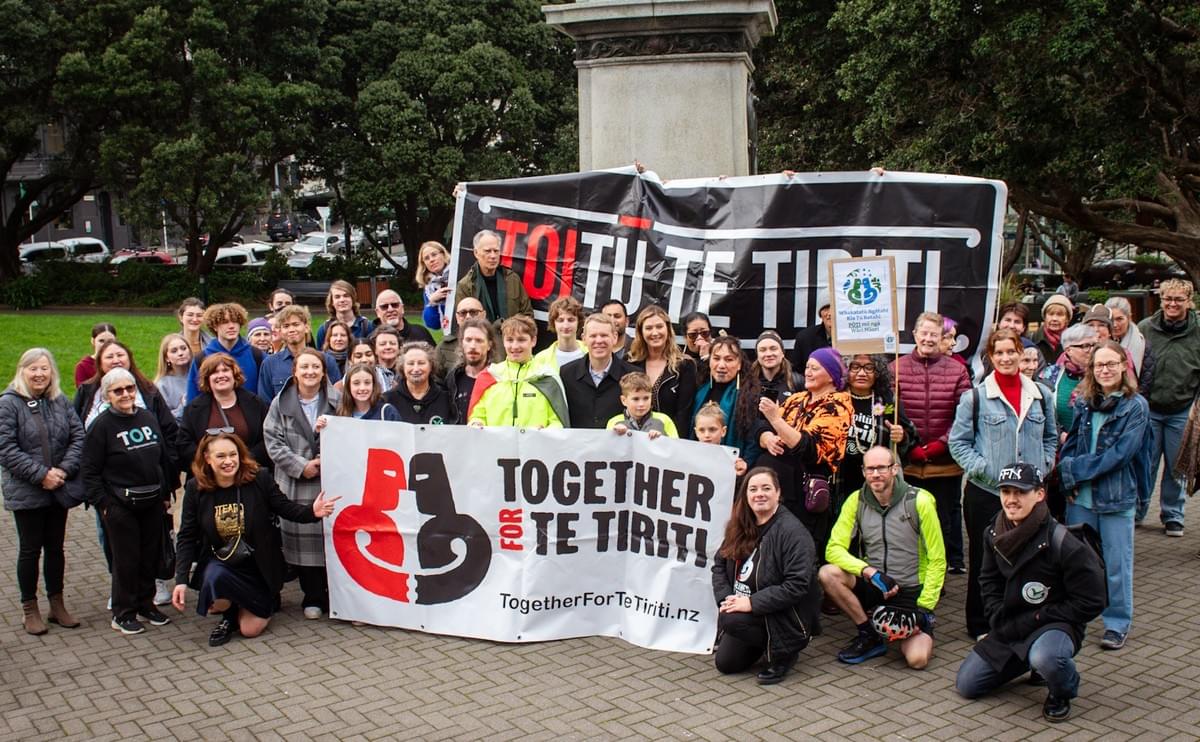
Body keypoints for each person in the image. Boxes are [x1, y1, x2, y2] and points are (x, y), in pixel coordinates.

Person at [955, 463, 1106, 724]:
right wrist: (995, 617)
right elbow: (988, 580)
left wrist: (1039, 618)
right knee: (967, 685)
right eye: (1006, 492)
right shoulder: (993, 532)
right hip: (1011, 624)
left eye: (1020, 492)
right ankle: (1031, 663)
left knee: (1046, 657)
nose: (1011, 500)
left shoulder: (1063, 541)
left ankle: (1062, 689)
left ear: (1040, 494)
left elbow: (1093, 602)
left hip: (1053, 623)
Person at [172, 432, 339, 646]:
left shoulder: (259, 478)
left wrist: (311, 512)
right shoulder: (196, 488)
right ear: (207, 458)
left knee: (250, 630)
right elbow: (187, 535)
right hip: (222, 562)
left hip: (258, 565)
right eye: (221, 456)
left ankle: (262, 600)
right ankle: (230, 614)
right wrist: (181, 580)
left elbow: (284, 507)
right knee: (215, 584)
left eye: (233, 454)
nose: (229, 461)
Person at [949, 329, 1058, 640]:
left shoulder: (1041, 395)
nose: (1007, 358)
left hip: (1030, 495)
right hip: (986, 493)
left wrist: (1044, 465)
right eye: (1000, 353)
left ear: (1022, 355)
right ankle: (981, 624)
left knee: (1031, 557)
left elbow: (1050, 437)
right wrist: (982, 469)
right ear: (991, 357)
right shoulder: (975, 398)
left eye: (1013, 352)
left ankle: (1024, 618)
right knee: (986, 560)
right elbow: (959, 443)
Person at [1058, 340, 1148, 651]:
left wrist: (1074, 470)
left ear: (1124, 366)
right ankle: (1077, 616)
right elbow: (1072, 445)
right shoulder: (1084, 402)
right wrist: (1066, 478)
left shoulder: (1135, 406)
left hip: (1115, 497)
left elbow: (1120, 455)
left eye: (1111, 364)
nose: (1105, 370)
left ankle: (1117, 622)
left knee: (1116, 563)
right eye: (1099, 365)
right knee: (1079, 562)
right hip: (1080, 498)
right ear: (1091, 371)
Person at [821, 446, 944, 668]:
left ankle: (918, 623)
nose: (875, 474)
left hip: (910, 590)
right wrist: (869, 571)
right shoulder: (855, 500)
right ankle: (869, 634)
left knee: (917, 660)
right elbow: (833, 548)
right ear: (863, 471)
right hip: (877, 585)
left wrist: (924, 608)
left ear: (895, 469)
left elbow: (938, 559)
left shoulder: (920, 501)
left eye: (881, 468)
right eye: (870, 469)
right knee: (827, 573)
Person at [80, 368, 177, 635]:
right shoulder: (101, 426)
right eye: (118, 391)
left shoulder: (147, 417)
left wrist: (165, 494)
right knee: (126, 560)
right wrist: (104, 504)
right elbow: (89, 470)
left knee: (149, 556)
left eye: (129, 389)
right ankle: (123, 613)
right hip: (120, 504)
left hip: (152, 500)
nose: (125, 395)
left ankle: (146, 605)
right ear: (107, 395)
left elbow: (161, 459)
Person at [0, 349, 85, 634]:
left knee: (56, 548)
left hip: (58, 488)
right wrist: (41, 475)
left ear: (52, 372)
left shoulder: (59, 401)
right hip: (27, 490)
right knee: (29, 549)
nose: (39, 374)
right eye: (33, 368)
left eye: (44, 369)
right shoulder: (8, 404)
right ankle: (29, 608)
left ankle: (57, 604)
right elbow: (6, 448)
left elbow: (78, 436)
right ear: (22, 371)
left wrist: (63, 471)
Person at [711, 467, 819, 684]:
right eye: (753, 489)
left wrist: (750, 603)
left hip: (784, 616)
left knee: (730, 620)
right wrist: (725, 598)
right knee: (727, 664)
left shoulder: (792, 532)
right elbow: (719, 565)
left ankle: (785, 652)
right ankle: (764, 643)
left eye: (766, 488)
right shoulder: (741, 523)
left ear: (778, 493)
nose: (759, 494)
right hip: (746, 608)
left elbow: (797, 585)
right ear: (746, 495)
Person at [264, 348, 341, 619]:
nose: (310, 372)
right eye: (304, 367)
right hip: (296, 483)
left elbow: (349, 434)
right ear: (295, 372)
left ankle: (337, 596)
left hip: (330, 479)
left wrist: (325, 459)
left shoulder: (338, 400)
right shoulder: (279, 403)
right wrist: (301, 466)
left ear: (324, 372)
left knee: (329, 539)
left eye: (315, 367)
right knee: (304, 543)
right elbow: (272, 441)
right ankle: (313, 596)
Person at [893, 311, 972, 575]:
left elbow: (965, 416)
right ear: (914, 335)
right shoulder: (896, 368)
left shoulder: (958, 371)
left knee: (941, 523)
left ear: (943, 338)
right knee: (907, 521)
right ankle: (911, 574)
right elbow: (887, 411)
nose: (928, 339)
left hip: (945, 464)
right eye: (923, 333)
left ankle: (937, 575)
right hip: (907, 463)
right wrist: (908, 445)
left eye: (934, 334)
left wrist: (938, 446)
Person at [755, 346, 852, 553]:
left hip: (803, 497)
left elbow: (809, 449)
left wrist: (776, 420)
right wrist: (768, 438)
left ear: (831, 375)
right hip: (774, 492)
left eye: (815, 368)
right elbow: (761, 427)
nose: (807, 372)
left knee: (793, 554)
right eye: (807, 367)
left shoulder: (838, 406)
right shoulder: (797, 399)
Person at [1136, 279, 1200, 536]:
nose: (1172, 304)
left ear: (1188, 301)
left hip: (1182, 409)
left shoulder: (1198, 331)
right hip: (1149, 409)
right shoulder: (1145, 329)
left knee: (1176, 467)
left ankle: (1173, 514)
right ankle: (1138, 510)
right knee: (1145, 464)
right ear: (1160, 300)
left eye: (1178, 299)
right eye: (1167, 299)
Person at [840, 354, 915, 507]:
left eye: (869, 368)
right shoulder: (835, 398)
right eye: (855, 367)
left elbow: (911, 435)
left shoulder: (887, 401)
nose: (861, 373)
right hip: (840, 481)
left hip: (877, 481)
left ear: (878, 372)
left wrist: (901, 436)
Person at [467, 315, 567, 429]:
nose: (515, 346)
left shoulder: (547, 377)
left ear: (533, 341)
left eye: (521, 340)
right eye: (509, 340)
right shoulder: (489, 376)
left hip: (535, 446)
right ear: (503, 341)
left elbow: (559, 422)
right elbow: (476, 416)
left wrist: (545, 433)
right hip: (496, 446)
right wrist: (476, 423)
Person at [180, 353, 271, 471]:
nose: (221, 375)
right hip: (210, 477)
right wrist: (211, 462)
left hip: (251, 472)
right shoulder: (194, 410)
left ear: (234, 375)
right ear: (207, 378)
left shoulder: (256, 404)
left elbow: (268, 437)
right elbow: (184, 444)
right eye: (215, 372)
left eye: (225, 370)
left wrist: (243, 460)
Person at [626, 305, 698, 435]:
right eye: (648, 328)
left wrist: (671, 443)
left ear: (668, 330)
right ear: (641, 332)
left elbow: (684, 413)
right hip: (635, 439)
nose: (655, 333)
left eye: (659, 327)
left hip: (669, 440)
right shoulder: (630, 362)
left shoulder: (685, 365)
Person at [691, 336, 763, 465]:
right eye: (716, 358)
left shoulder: (751, 395)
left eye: (729, 360)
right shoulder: (699, 390)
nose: (721, 365)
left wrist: (745, 463)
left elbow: (753, 438)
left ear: (739, 364)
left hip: (734, 469)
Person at [560, 313, 638, 429]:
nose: (599, 340)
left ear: (615, 337)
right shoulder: (566, 373)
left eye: (604, 335)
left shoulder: (633, 375)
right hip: (577, 446)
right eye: (593, 336)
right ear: (584, 339)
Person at [257, 304, 342, 400]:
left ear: (306, 327)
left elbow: (337, 398)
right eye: (286, 326)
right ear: (280, 331)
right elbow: (265, 402)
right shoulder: (270, 364)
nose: (291, 329)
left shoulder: (326, 360)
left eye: (296, 324)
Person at [185, 303, 265, 403]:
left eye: (235, 321)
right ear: (215, 326)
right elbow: (193, 400)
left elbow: (266, 396)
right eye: (225, 322)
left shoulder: (257, 355)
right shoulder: (201, 359)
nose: (231, 326)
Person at [454, 229, 533, 328]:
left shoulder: (512, 279)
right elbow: (463, 323)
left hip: (510, 340)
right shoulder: (466, 286)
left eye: (496, 251)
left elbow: (527, 315)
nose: (493, 256)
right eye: (487, 251)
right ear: (476, 253)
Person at [1038, 324, 1098, 445]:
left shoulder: (1102, 375)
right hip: (1059, 447)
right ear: (1068, 350)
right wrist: (1060, 435)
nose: (1091, 350)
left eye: (1094, 345)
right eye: (1085, 346)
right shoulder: (1049, 375)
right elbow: (1041, 412)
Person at [383, 342, 457, 424]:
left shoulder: (446, 400)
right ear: (402, 367)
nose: (416, 369)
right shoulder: (387, 400)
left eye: (421, 363)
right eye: (410, 363)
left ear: (431, 366)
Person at [445, 318, 494, 423]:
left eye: (479, 340)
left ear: (489, 345)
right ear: (461, 343)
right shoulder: (453, 378)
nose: (472, 346)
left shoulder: (498, 377)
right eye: (468, 340)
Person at [434, 297, 497, 376]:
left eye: (473, 312)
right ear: (457, 317)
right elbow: (436, 379)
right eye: (463, 313)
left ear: (483, 315)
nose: (468, 317)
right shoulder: (444, 346)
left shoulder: (499, 342)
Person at [607, 372, 678, 438]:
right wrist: (615, 435)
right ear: (624, 400)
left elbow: (676, 447)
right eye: (636, 399)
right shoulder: (614, 422)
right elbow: (607, 448)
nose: (641, 404)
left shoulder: (664, 420)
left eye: (646, 398)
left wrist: (661, 438)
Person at [1105, 296, 1154, 389]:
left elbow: (1146, 381)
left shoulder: (1143, 345)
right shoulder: (1100, 342)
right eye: (1111, 320)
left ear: (1129, 318)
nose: (1114, 324)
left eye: (1119, 319)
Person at [326, 363, 400, 421]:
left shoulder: (387, 412)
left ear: (373, 385)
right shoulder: (340, 414)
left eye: (367, 383)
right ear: (349, 386)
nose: (362, 388)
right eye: (356, 383)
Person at [533, 295, 586, 370]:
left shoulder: (590, 353)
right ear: (553, 323)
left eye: (571, 320)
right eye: (560, 320)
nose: (566, 325)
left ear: (579, 322)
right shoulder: (541, 359)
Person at [695, 402, 748, 476]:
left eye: (712, 429)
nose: (706, 435)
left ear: (723, 431)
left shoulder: (731, 460)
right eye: (701, 430)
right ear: (696, 432)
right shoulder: (687, 457)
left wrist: (740, 471)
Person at [315, 279, 373, 348]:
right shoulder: (324, 329)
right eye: (337, 297)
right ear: (332, 302)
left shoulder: (367, 326)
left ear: (353, 299)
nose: (342, 300)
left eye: (346, 296)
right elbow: (320, 357)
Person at [751, 331, 802, 404]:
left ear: (782, 353)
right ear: (757, 355)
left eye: (773, 348)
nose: (768, 354)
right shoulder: (747, 383)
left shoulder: (797, 382)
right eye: (762, 350)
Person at [371, 289, 435, 343]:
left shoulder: (421, 333)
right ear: (377, 312)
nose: (390, 309)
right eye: (384, 306)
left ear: (402, 308)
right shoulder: (372, 340)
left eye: (395, 305)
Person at [154, 333, 193, 421]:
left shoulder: (200, 375)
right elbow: (163, 418)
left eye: (183, 348)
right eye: (174, 351)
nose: (180, 353)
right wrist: (183, 406)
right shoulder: (162, 385)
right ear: (166, 358)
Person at [790, 290, 832, 369]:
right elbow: (796, 371)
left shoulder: (856, 337)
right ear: (820, 314)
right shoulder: (805, 338)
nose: (830, 313)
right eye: (826, 308)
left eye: (835, 307)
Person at [416, 241, 453, 332]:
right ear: (424, 264)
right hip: (449, 333)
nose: (431, 260)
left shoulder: (458, 273)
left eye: (434, 254)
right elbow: (433, 324)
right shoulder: (429, 288)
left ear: (443, 255)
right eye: (427, 258)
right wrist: (432, 301)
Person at [1031, 295, 1073, 364]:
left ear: (1067, 319)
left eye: (1059, 315)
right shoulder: (1033, 338)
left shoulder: (1074, 341)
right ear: (1044, 317)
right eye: (1051, 314)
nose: (1054, 319)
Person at [75, 322, 116, 387]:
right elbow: (83, 393)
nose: (105, 345)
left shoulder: (120, 362)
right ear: (93, 341)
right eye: (101, 341)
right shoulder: (83, 366)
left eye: (110, 341)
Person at [370, 325, 402, 391]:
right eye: (382, 344)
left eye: (392, 343)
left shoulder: (406, 372)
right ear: (375, 349)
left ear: (399, 348)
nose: (388, 347)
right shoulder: (370, 373)